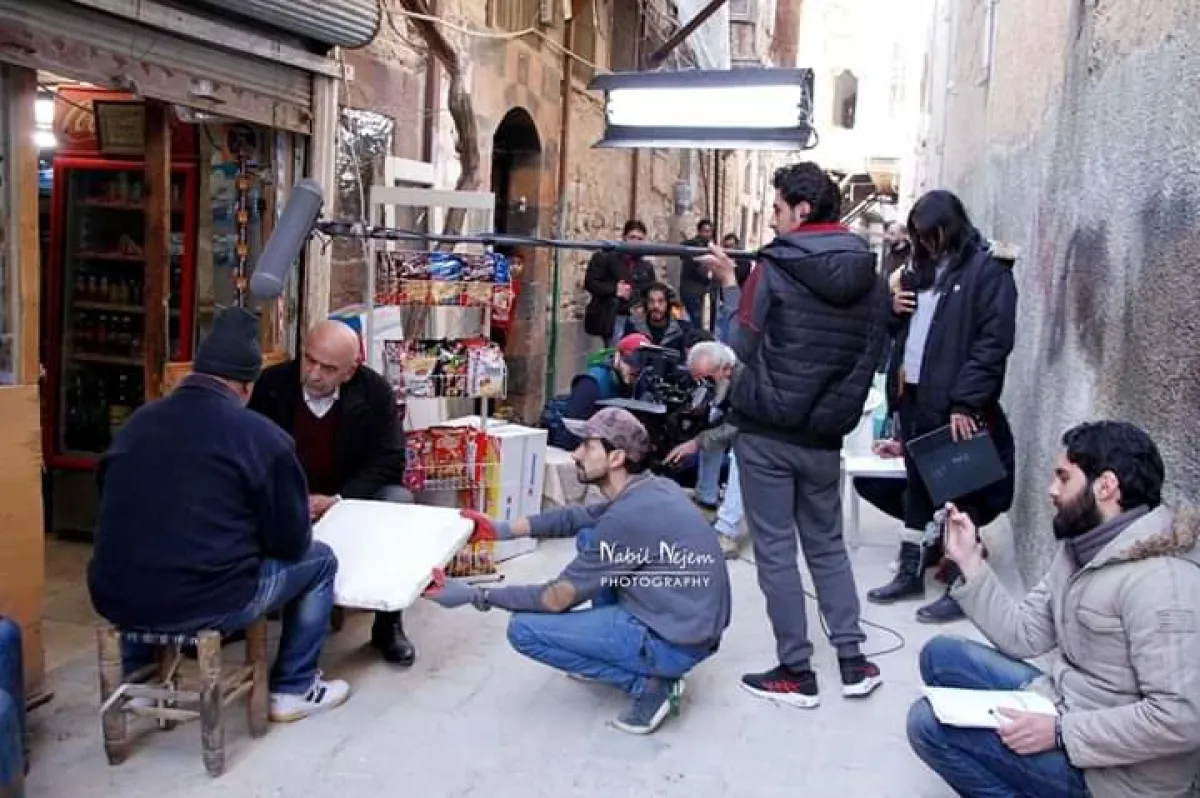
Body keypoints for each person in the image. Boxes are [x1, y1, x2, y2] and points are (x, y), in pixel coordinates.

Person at [908, 421, 1200, 798]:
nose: (1051, 490)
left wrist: (1060, 732)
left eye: (1063, 478)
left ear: (1106, 486)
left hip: (1117, 776)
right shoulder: (1082, 546)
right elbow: (1024, 634)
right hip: (1065, 704)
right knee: (940, 656)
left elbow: (1181, 719)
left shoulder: (1162, 582)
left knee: (926, 724)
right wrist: (970, 562)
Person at [88, 307, 349, 723]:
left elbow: (112, 504)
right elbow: (291, 542)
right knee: (320, 560)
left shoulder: (137, 424)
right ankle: (293, 688)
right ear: (247, 386)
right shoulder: (262, 438)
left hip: (114, 595)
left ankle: (141, 677)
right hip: (209, 601)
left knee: (142, 551)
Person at [702, 161, 889, 708]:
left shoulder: (773, 266)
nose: (773, 218)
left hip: (767, 430)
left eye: (778, 208)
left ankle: (796, 671)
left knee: (777, 552)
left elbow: (738, 347)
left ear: (802, 210)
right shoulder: (872, 275)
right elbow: (871, 354)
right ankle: (853, 661)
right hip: (824, 437)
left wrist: (731, 284)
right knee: (827, 546)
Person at [423, 407, 731, 735]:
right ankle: (621, 653)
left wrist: (476, 596)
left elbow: (555, 598)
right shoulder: (651, 489)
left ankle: (651, 685)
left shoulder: (629, 517)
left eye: (587, 446)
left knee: (524, 630)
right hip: (686, 622)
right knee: (588, 536)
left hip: (673, 641)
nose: (575, 453)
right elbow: (577, 517)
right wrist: (500, 529)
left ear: (616, 458)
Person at [866, 190, 1018, 624]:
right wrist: (893, 310)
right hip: (914, 396)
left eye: (930, 234)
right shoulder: (919, 270)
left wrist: (967, 402)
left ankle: (964, 586)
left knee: (962, 495)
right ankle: (910, 572)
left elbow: (993, 344)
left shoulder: (988, 270)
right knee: (918, 488)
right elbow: (899, 332)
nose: (925, 243)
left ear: (950, 227)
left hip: (954, 403)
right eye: (919, 235)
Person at [247, 319, 414, 666]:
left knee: (398, 502)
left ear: (350, 371)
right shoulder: (272, 385)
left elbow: (389, 459)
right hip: (287, 495)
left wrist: (338, 501)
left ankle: (388, 624)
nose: (314, 374)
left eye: (328, 368)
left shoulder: (375, 392)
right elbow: (251, 453)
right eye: (309, 360)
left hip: (347, 494)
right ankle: (242, 605)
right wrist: (291, 500)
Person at [664, 341, 742, 557]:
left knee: (742, 453)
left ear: (725, 370)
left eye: (706, 378)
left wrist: (696, 442)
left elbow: (737, 427)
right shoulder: (719, 377)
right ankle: (706, 502)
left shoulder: (744, 379)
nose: (703, 384)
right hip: (742, 425)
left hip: (768, 435)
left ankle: (726, 531)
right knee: (709, 438)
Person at [545, 332, 649, 451]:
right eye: (629, 362)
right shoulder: (591, 383)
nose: (634, 369)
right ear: (617, 356)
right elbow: (570, 431)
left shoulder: (637, 384)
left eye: (641, 364)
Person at [583, 220, 657, 346]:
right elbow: (590, 283)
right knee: (615, 351)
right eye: (632, 237)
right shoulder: (604, 257)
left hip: (637, 319)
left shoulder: (646, 266)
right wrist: (614, 289)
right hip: (613, 315)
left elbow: (650, 290)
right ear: (624, 237)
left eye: (640, 239)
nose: (635, 242)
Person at [623, 282, 691, 356]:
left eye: (660, 301)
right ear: (646, 303)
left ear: (667, 303)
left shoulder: (681, 328)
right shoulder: (633, 326)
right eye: (651, 301)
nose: (656, 306)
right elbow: (624, 351)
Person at [678, 219, 714, 328]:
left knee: (696, 320)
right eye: (705, 231)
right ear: (699, 231)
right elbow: (692, 269)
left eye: (710, 231)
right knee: (694, 321)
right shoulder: (694, 245)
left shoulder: (706, 246)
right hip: (691, 290)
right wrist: (708, 281)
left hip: (698, 290)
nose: (708, 234)